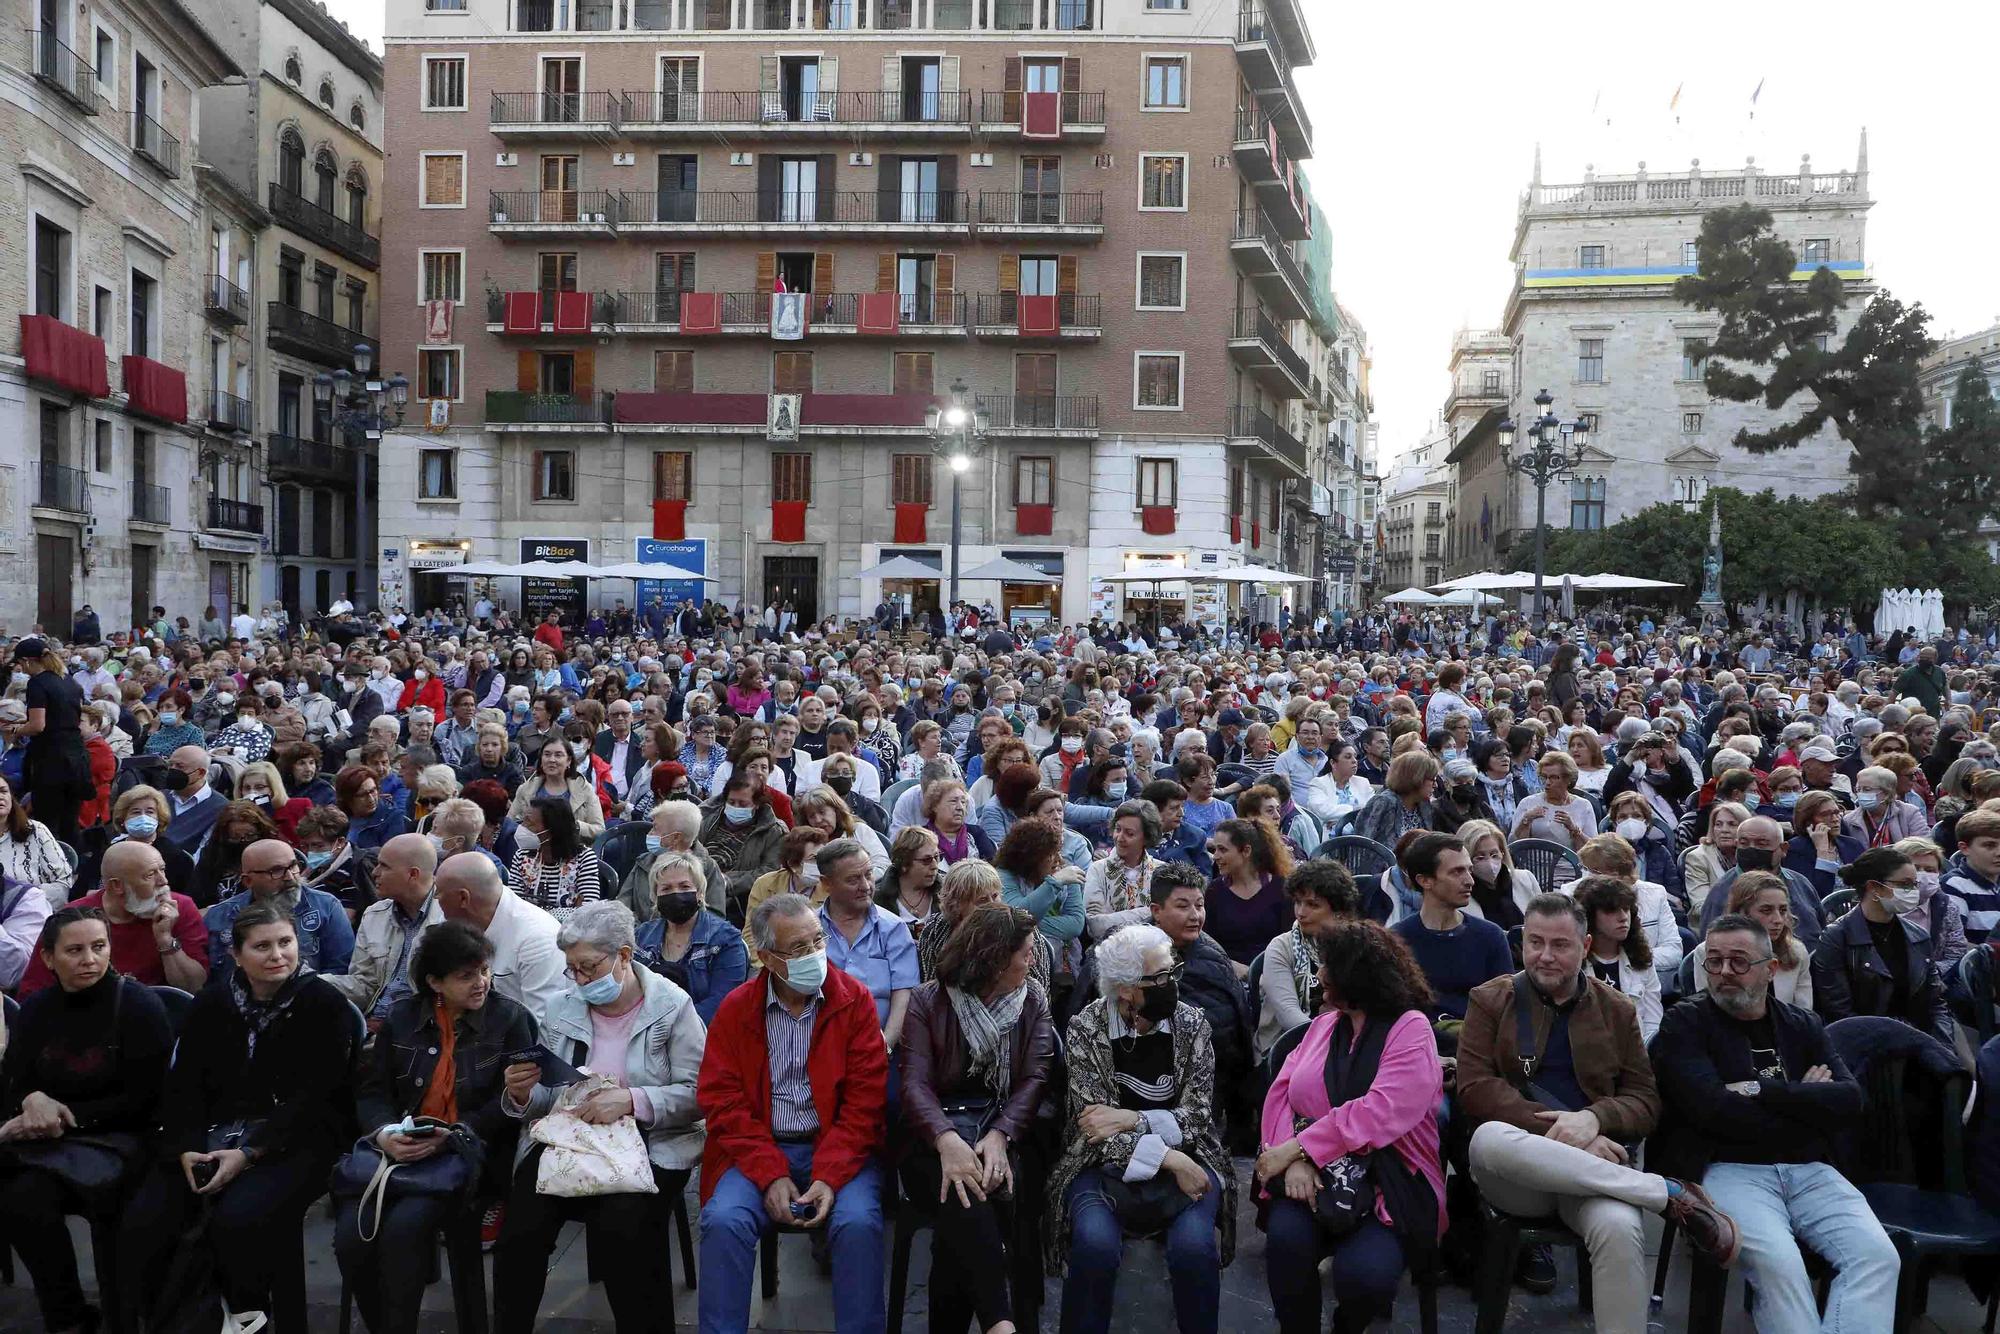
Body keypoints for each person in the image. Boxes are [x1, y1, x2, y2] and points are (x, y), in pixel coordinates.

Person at [1457, 894, 1738, 1334]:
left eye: (1560, 945)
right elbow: (1474, 1089)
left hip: (1594, 1176)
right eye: (1534, 943)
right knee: (1488, 1136)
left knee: (1619, 1228)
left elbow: (1645, 1100)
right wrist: (1567, 1133)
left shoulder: (1617, 1009)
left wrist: (1594, 1119)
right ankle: (1663, 1193)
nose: (1545, 956)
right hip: (1519, 1176)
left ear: (1585, 946)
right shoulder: (1491, 1000)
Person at [119, 900, 360, 1334]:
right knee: (148, 1216)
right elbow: (185, 1083)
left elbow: (317, 1098)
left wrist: (249, 1153)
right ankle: (172, 1317)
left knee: (238, 1220)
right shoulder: (214, 1003)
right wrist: (188, 1147)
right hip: (213, 1132)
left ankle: (248, 1318)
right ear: (236, 954)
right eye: (262, 946)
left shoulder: (324, 1005)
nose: (278, 955)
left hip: (296, 1139)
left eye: (286, 943)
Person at [1651, 913, 1901, 1333]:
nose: (1724, 972)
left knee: (1877, 1256)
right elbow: (1712, 1111)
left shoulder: (1802, 1024)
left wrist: (1759, 1091)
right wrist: (1807, 1103)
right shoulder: (1686, 1023)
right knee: (1779, 1265)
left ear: (1770, 970)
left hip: (1810, 1170)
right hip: (1730, 1169)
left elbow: (1849, 1098)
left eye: (1738, 961)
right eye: (1713, 961)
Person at [497, 900, 708, 1334]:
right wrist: (521, 1094)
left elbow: (700, 1094)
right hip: (571, 1136)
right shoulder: (562, 1008)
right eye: (571, 969)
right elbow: (546, 1097)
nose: (579, 980)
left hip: (652, 1138)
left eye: (589, 967)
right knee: (519, 1233)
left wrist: (632, 1100)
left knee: (624, 1229)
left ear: (624, 956)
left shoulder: (672, 1006)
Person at [696, 892, 889, 1334]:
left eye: (818, 941)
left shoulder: (852, 1001)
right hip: (759, 1149)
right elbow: (722, 1101)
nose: (814, 954)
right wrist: (769, 1173)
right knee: (724, 1221)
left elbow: (865, 1103)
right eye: (798, 948)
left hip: (837, 1146)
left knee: (858, 1223)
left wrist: (830, 1174)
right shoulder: (738, 1009)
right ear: (766, 957)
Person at [335, 920, 539, 1334]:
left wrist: (454, 1134)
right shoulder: (403, 1017)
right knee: (350, 1238)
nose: (481, 983)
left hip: (469, 1153)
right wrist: (384, 1133)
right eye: (466, 976)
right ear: (434, 982)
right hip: (400, 1147)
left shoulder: (510, 1019)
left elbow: (508, 1107)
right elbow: (372, 1090)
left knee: (403, 1228)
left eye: (484, 971)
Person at [1255, 919, 1446, 1333]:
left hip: (1389, 1181)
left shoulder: (1410, 1029)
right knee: (1286, 1242)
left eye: (1329, 967)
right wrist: (1295, 1159)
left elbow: (1380, 1110)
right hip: (1314, 1176)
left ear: (1358, 976)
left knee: (1364, 1278)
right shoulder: (1324, 1026)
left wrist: (1301, 1147)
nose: (1320, 975)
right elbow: (1280, 1096)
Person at [1045, 922, 1236, 1334]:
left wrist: (1134, 1118)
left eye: (1173, 971)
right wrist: (1169, 1157)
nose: (1174, 983)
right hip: (1103, 1168)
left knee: (1194, 1248)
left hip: (1193, 1157)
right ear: (1128, 989)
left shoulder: (1191, 1024)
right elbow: (1094, 1132)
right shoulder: (1085, 1028)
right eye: (1163, 977)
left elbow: (1200, 1114)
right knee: (1094, 1247)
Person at [0, 906, 174, 1334]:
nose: (89, 959)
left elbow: (149, 1097)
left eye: (99, 947)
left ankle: (123, 1315)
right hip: (57, 1143)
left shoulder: (138, 1005)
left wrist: (64, 1116)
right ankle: (68, 1317)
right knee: (23, 1200)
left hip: (127, 1140)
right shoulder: (38, 1008)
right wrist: (33, 1098)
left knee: (114, 1207)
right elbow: (15, 1078)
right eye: (74, 950)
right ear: (48, 958)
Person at [898, 903, 1055, 1334]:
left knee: (969, 1199)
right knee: (963, 1187)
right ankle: (1003, 1323)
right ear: (995, 958)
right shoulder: (927, 1002)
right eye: (1026, 952)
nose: (1034, 959)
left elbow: (1035, 1078)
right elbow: (914, 1085)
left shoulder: (1033, 1000)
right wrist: (947, 1141)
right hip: (931, 1140)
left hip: (1008, 1130)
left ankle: (991, 1325)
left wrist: (1001, 1135)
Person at [19, 837, 210, 996]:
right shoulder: (73, 919)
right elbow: (33, 991)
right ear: (116, 886)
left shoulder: (180, 908)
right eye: (150, 875)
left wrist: (166, 940)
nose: (163, 881)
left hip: (156, 1015)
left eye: (162, 870)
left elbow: (193, 988)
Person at [1812, 846, 1955, 1043]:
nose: (1913, 891)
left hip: (1920, 1040)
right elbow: (1839, 1011)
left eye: (1913, 884)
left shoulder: (1918, 935)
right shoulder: (1837, 937)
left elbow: (1935, 1003)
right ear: (1874, 888)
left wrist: (1942, 1045)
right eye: (1905, 884)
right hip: (1867, 1045)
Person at [1389, 832, 1513, 1045]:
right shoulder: (1397, 941)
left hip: (1480, 1049)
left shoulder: (1490, 937)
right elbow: (1394, 1015)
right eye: (1457, 872)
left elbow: (1506, 1009)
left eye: (1469, 870)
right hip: (1417, 1047)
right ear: (1425, 880)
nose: (1469, 881)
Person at [435, 851, 567, 1025]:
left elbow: (542, 1027)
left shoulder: (538, 939)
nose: (435, 900)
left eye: (439, 894)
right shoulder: (449, 922)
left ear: (463, 898)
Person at [202, 834, 355, 982]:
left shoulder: (326, 907)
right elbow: (210, 980)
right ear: (248, 881)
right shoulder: (220, 917)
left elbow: (341, 972)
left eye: (293, 866)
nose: (290, 877)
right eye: (276, 871)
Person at [326, 832, 443, 1023]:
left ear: (413, 874)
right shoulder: (375, 915)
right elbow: (365, 985)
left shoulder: (451, 918)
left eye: (384, 866)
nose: (374, 872)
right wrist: (310, 981)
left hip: (423, 1030)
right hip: (374, 1023)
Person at [817, 837, 920, 1049]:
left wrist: (885, 1045)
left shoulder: (893, 929)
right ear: (827, 884)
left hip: (880, 1048)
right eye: (853, 879)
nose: (866, 886)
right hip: (820, 1048)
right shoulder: (810, 931)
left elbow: (903, 995)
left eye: (869, 874)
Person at [1255, 860, 1363, 1055]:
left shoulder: (1358, 945)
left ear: (1339, 910)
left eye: (1313, 905)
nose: (1301, 913)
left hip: (1349, 1046)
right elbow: (1289, 1016)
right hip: (1287, 1048)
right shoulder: (1282, 947)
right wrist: (1336, 1043)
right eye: (1297, 902)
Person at [634, 849, 748, 1026]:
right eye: (666, 888)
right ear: (655, 897)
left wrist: (670, 1027)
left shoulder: (726, 940)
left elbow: (722, 1001)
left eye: (685, 887)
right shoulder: (641, 936)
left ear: (700, 893)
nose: (676, 893)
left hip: (700, 1035)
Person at [17, 638, 93, 844]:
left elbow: (37, 725)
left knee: (46, 822)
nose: (22, 670)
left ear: (27, 661)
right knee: (70, 821)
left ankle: (48, 868)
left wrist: (15, 729)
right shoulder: (69, 681)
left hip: (51, 759)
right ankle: (73, 867)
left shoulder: (38, 683)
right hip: (76, 756)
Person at [1573, 874, 1664, 1041]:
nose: (1623, 917)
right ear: (1590, 916)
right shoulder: (1573, 963)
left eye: (1626, 908)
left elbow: (1653, 1022)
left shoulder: (1641, 959)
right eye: (1611, 910)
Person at [1203, 816, 1295, 971]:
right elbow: (1208, 943)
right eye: (1215, 849)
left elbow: (1290, 942)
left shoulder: (1282, 888)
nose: (1216, 856)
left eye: (1223, 849)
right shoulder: (1214, 891)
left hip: (1274, 971)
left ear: (1246, 851)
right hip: (1227, 972)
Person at [700, 771, 788, 910]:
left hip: (738, 902)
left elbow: (770, 872)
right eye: (731, 802)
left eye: (743, 804)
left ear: (757, 804)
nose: (736, 807)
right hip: (698, 887)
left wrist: (727, 881)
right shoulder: (705, 817)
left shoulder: (774, 831)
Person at [1082, 798, 1166, 943]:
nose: (1120, 838)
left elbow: (1167, 921)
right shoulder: (1098, 869)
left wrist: (1110, 917)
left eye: (1130, 833)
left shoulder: (1162, 871)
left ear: (1146, 838)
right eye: (1118, 829)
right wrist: (1150, 911)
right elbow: (1095, 927)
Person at [509, 795, 603, 923]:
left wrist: (539, 914)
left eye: (529, 823)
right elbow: (513, 907)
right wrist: (564, 912)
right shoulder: (522, 857)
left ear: (552, 830)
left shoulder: (584, 858)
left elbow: (587, 912)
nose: (522, 827)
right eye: (523, 821)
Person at [508, 736, 608, 842]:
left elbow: (599, 830)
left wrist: (575, 826)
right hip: (531, 851)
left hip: (574, 851)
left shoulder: (584, 789)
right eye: (547, 754)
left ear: (569, 760)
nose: (552, 760)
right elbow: (509, 823)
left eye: (558, 755)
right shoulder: (526, 789)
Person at [0, 775, 75, 907]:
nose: (1, 796)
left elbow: (63, 882)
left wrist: (24, 900)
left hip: (36, 914)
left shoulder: (36, 830)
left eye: (3, 791)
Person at [1510, 750, 1598, 858]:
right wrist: (1526, 821)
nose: (1547, 783)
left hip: (1571, 869)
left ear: (1568, 779)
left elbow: (1593, 850)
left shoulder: (1583, 806)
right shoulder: (1528, 803)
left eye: (1553, 777)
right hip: (1534, 868)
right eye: (1544, 777)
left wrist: (1574, 829)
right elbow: (1513, 846)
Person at [1457, 818, 1538, 930]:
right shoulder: (1459, 895)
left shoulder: (1525, 879)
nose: (1490, 863)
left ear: (1502, 853)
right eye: (1480, 857)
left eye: (1494, 855)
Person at [1351, 751, 1437, 849]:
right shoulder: (1384, 803)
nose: (1436, 785)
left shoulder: (1424, 804)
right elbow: (1366, 846)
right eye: (1432, 780)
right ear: (1416, 778)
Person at [1682, 799, 1750, 917]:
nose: (1724, 830)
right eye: (1718, 824)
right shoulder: (1698, 858)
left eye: (1732, 824)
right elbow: (1700, 907)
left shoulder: (1753, 854)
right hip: (1713, 926)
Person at [874, 825, 943, 939]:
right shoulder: (877, 899)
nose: (935, 866)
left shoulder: (948, 893)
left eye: (937, 857)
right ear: (905, 864)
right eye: (926, 860)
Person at [161, 744, 230, 856]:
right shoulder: (159, 797)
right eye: (170, 765)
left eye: (180, 766)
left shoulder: (221, 808)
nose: (172, 770)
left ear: (200, 773)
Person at [336, 763, 409, 853]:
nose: (371, 799)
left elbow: (390, 855)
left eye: (373, 791)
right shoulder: (337, 817)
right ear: (348, 798)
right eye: (362, 795)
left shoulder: (392, 817)